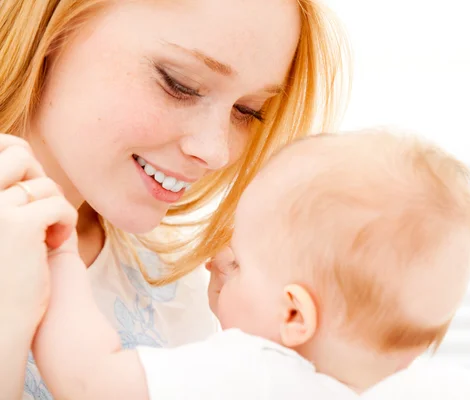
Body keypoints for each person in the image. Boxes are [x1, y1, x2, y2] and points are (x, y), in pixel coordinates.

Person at [0, 0, 350, 398]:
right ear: (54, 24)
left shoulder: (174, 293)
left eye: (247, 111)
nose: (216, 151)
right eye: (179, 84)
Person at [32, 130, 470, 399]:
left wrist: (60, 251)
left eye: (241, 261)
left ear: (294, 315)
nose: (215, 261)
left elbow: (88, 379)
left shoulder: (251, 370)